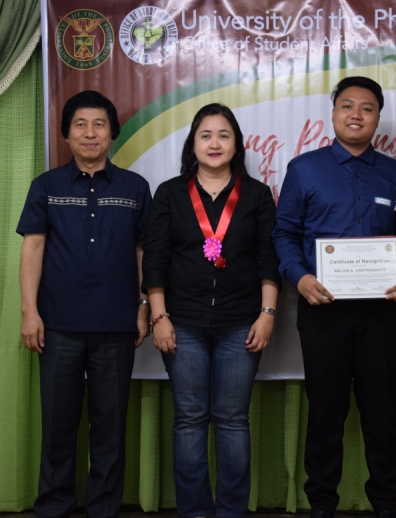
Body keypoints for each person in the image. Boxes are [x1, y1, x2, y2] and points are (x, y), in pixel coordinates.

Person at [272, 76, 396, 517]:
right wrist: (299, 278)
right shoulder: (304, 168)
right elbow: (284, 235)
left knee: (381, 416)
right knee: (325, 414)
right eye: (348, 106)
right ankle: (321, 505)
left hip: (382, 313)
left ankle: (385, 505)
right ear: (334, 111)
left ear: (378, 116)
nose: (356, 115)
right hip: (323, 311)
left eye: (367, 108)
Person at [142, 103, 280, 518]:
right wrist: (159, 318)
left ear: (236, 143)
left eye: (223, 135)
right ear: (193, 143)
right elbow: (156, 262)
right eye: (206, 135)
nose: (214, 143)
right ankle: (195, 512)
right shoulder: (169, 193)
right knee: (189, 419)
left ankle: (232, 511)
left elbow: (268, 260)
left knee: (233, 420)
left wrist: (267, 314)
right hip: (181, 323)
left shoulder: (256, 195)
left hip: (242, 324)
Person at [17, 90, 151, 518]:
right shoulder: (47, 186)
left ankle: (104, 508)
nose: (90, 133)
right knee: (58, 426)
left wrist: (144, 305)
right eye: (80, 125)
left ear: (112, 133)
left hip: (116, 325)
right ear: (67, 134)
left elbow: (143, 253)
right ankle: (54, 506)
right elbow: (33, 250)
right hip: (57, 326)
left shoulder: (134, 187)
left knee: (109, 429)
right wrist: (29, 311)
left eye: (99, 125)